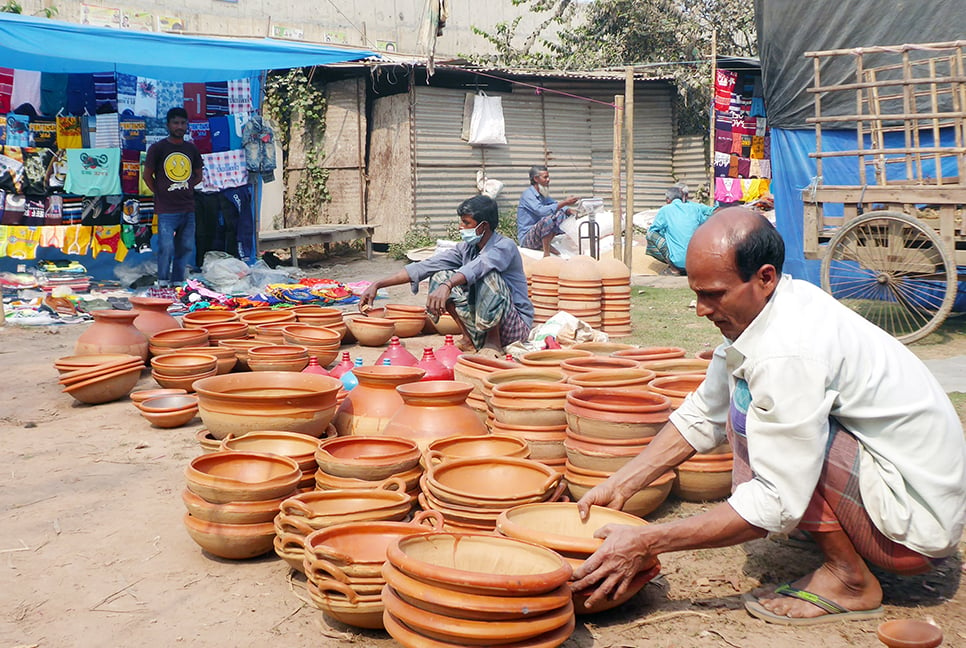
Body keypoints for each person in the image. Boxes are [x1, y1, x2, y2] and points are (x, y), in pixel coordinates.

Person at [572, 207, 966, 625]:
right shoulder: (774, 310)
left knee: (753, 419)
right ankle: (837, 542)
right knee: (745, 404)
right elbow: (704, 412)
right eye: (697, 293)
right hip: (902, 486)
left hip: (915, 529)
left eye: (715, 294)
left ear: (764, 277)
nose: (701, 309)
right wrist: (621, 483)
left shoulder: (788, 352)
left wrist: (647, 541)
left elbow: (778, 499)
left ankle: (849, 579)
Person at [360, 195, 533, 354]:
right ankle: (469, 340)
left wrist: (448, 285)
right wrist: (377, 284)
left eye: (466, 223)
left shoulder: (505, 246)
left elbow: (480, 266)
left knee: (487, 275)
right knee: (440, 276)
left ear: (484, 226)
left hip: (514, 327)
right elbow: (426, 265)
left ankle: (493, 343)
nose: (460, 227)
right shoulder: (466, 249)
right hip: (482, 324)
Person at [144, 107, 203, 287]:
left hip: (188, 208)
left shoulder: (191, 149)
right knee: (166, 247)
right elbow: (147, 176)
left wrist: (185, 188)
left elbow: (198, 175)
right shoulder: (158, 148)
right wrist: (160, 192)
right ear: (168, 125)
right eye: (176, 123)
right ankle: (162, 281)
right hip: (166, 209)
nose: (180, 126)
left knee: (185, 248)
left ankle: (177, 282)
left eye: (183, 123)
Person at [645, 185, 714, 275]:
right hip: (696, 262)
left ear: (668, 200)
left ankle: (674, 269)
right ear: (683, 197)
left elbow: (653, 230)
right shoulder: (695, 208)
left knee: (651, 234)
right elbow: (707, 222)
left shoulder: (665, 210)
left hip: (677, 260)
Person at [516, 164, 579, 256]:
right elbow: (541, 211)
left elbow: (554, 204)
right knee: (548, 219)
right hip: (527, 238)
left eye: (548, 177)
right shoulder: (528, 195)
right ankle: (546, 252)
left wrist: (569, 210)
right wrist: (565, 202)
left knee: (562, 214)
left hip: (538, 234)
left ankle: (545, 243)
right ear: (536, 179)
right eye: (545, 177)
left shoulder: (542, 194)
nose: (548, 180)